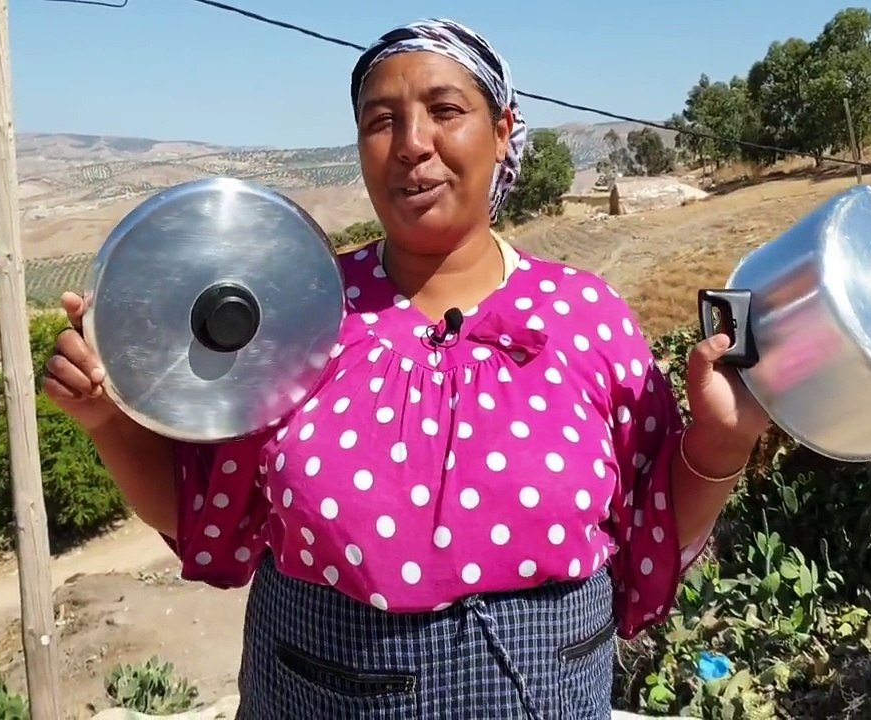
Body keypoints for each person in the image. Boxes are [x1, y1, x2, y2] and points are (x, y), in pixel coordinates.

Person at [44, 17, 771, 719]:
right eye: (381, 120)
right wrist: (105, 417)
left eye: (445, 111)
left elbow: (652, 527)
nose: (412, 144)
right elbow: (207, 517)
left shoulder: (587, 318)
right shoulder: (293, 312)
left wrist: (722, 441)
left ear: (503, 130)